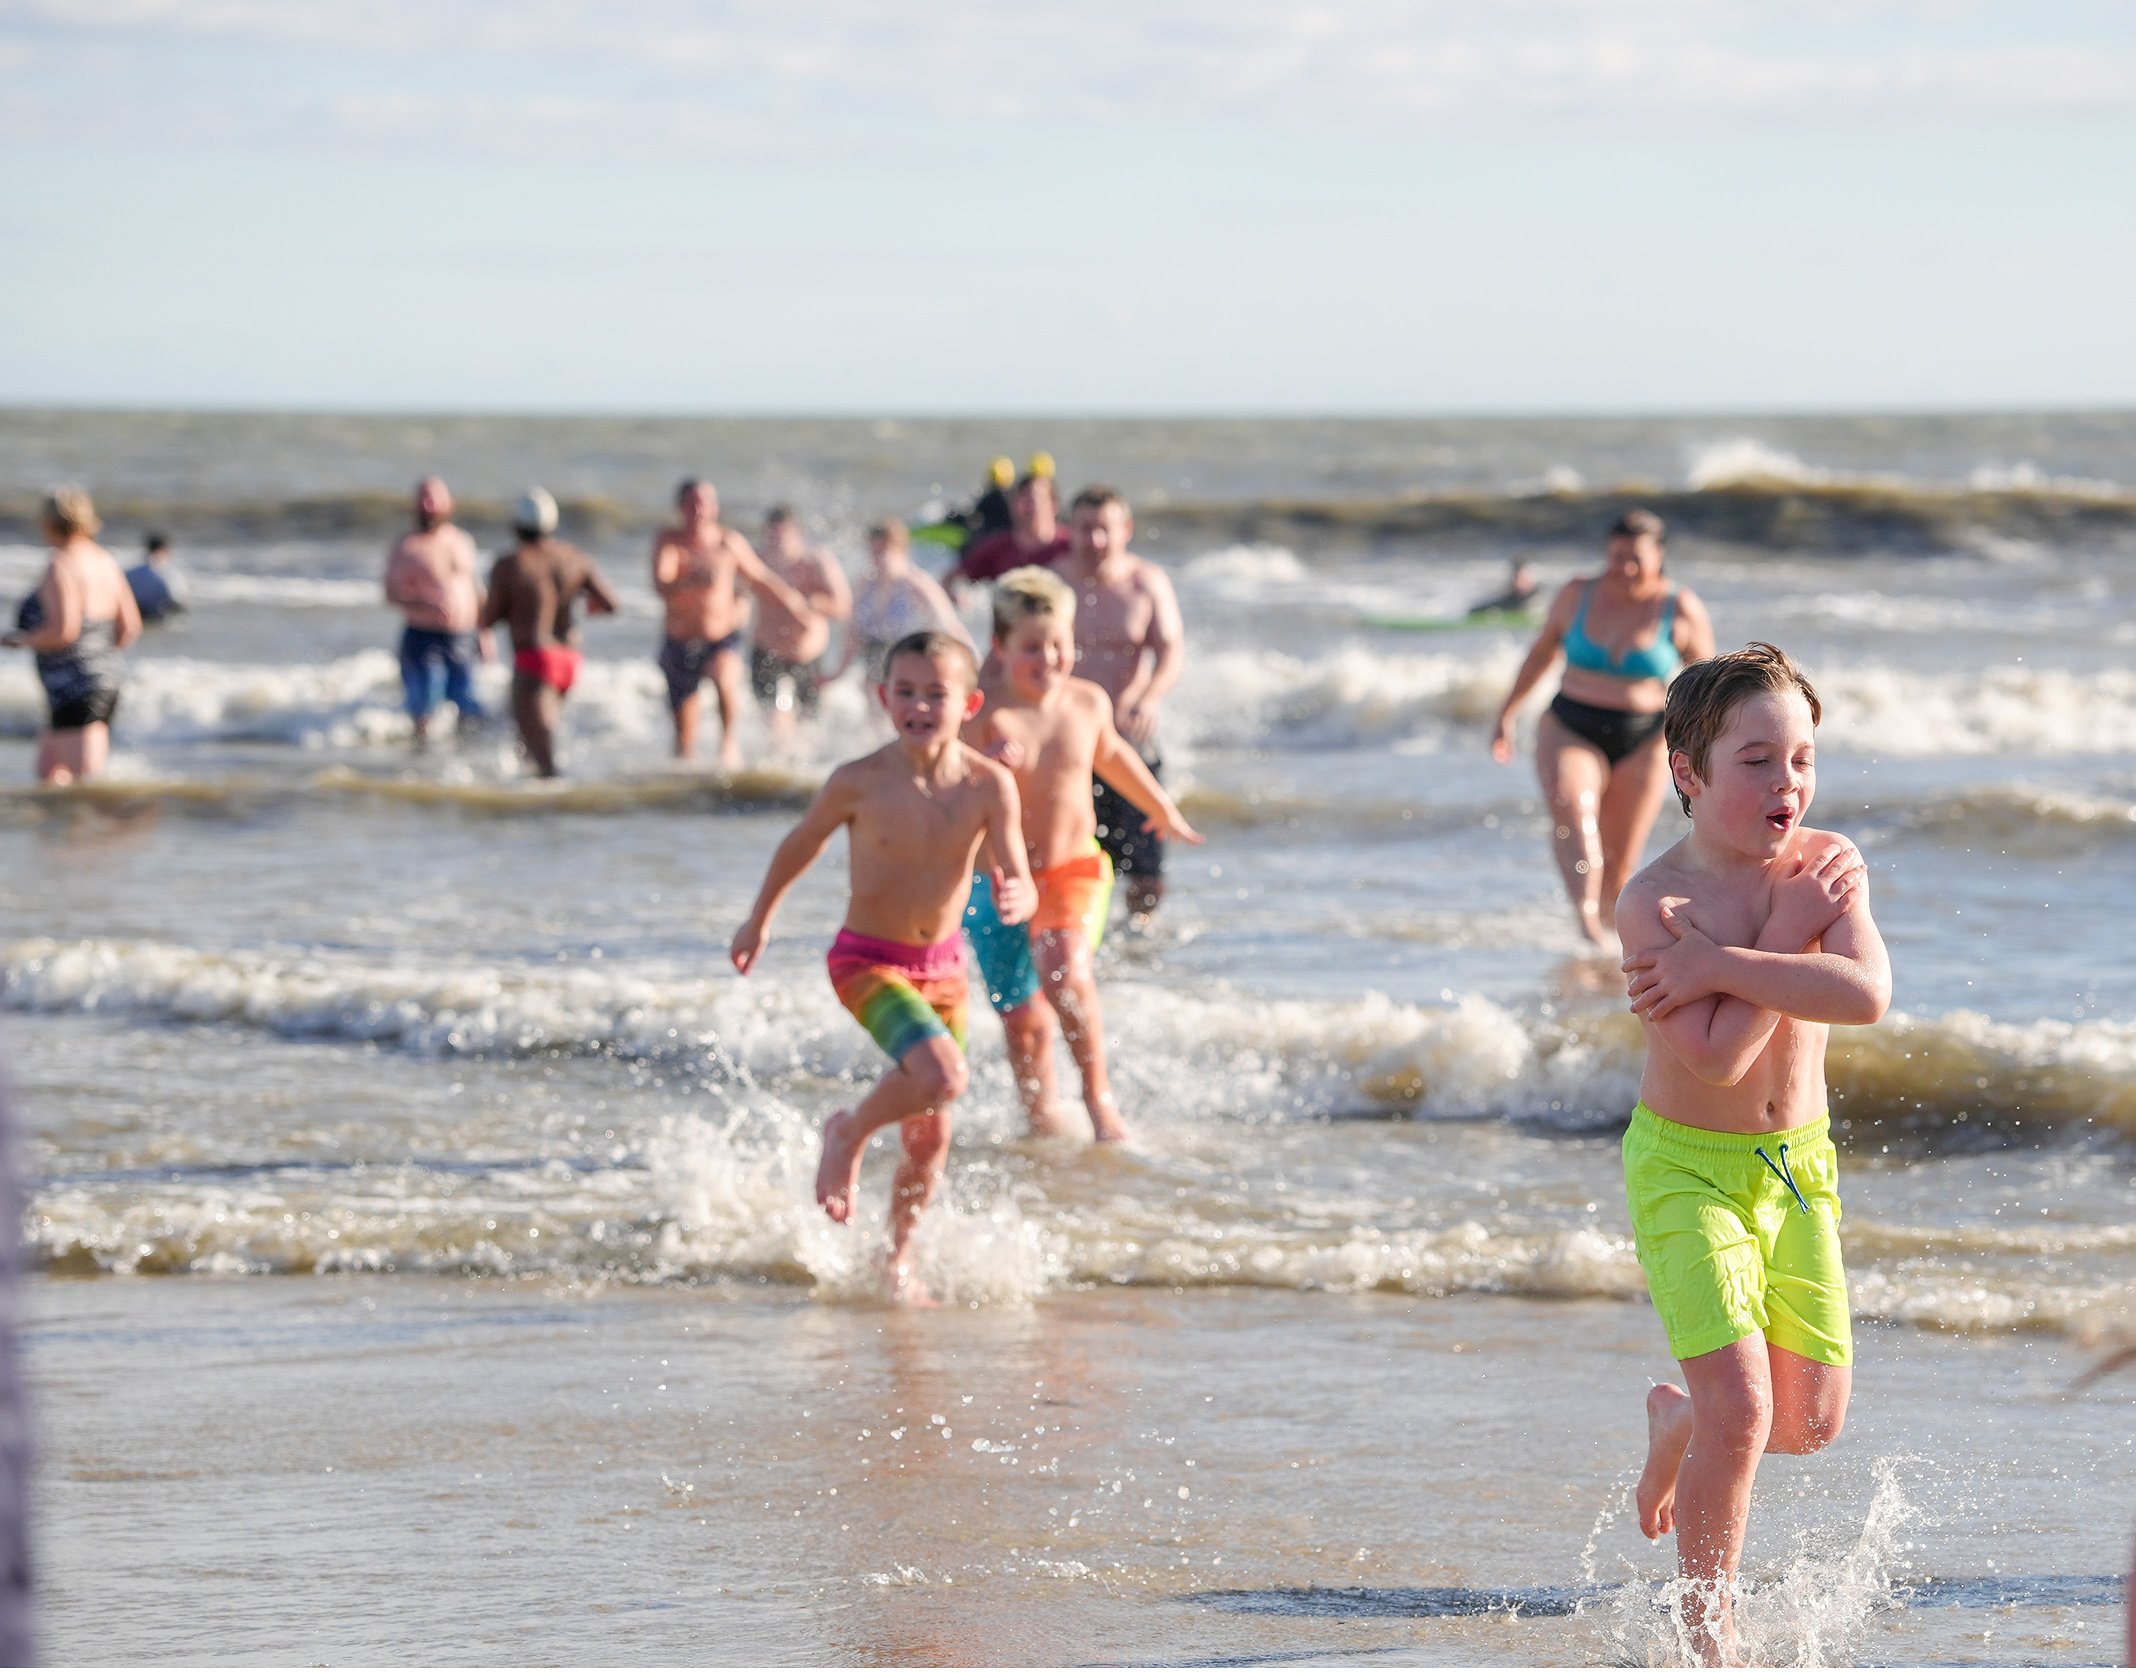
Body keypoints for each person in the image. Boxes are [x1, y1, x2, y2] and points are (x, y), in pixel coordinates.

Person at [1614, 644, 1891, 1665]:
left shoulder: (1825, 865)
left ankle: (1680, 1422)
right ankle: (1708, 1636)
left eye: (1803, 759)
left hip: (1797, 1167)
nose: (1789, 783)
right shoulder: (1657, 904)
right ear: (1687, 772)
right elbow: (1718, 1058)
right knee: (1744, 1411)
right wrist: (1786, 937)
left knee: (1807, 1423)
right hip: (1686, 1168)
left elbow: (1864, 995)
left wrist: (1728, 962)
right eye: (1758, 760)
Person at [729, 631, 1035, 1302]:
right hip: (866, 961)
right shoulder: (858, 780)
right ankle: (848, 1132)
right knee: (944, 1077)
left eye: (936, 694)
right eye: (906, 692)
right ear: (882, 697)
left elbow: (1017, 870)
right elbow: (801, 843)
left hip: (944, 970)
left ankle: (896, 1257)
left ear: (969, 704)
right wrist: (759, 919)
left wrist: (1022, 896)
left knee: (931, 1131)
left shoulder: (989, 785)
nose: (919, 706)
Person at [962, 568, 1201, 1143]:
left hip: (1075, 869)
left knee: (1064, 971)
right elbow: (945, 788)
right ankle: (1040, 1119)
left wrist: (1162, 808)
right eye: (1031, 647)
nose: (1048, 658)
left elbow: (1114, 757)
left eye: (1059, 644)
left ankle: (1099, 1102)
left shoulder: (1087, 702)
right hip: (998, 884)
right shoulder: (982, 715)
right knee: (1022, 1020)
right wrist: (985, 764)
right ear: (1000, 646)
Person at [1489, 509, 1716, 949]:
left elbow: (1705, 686)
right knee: (1572, 809)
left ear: (1659, 556)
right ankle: (1586, 923)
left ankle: (1610, 955)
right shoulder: (1577, 594)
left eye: (1636, 559)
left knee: (1619, 862)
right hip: (1571, 725)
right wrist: (1507, 713)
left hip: (1646, 736)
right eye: (1616, 557)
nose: (1624, 568)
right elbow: (1541, 654)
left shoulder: (1679, 607)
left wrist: (1709, 746)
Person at [1052, 486, 1187, 923]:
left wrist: (1150, 697)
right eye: (1085, 529)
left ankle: (1133, 947)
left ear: (1125, 530)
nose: (1094, 540)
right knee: (1068, 859)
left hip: (1129, 736)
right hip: (1069, 741)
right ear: (1069, 530)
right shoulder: (1053, 584)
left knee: (1147, 878)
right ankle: (1076, 938)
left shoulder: (1146, 583)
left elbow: (1171, 649)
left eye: (1104, 529)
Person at [653, 479, 813, 769]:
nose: (698, 509)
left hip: (721, 638)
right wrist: (692, 578)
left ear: (714, 507)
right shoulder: (670, 542)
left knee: (725, 679)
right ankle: (685, 770)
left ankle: (728, 751)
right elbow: (661, 586)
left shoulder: (728, 542)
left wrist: (794, 605)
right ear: (680, 508)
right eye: (692, 503)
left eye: (704, 503)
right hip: (680, 641)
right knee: (684, 735)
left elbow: (760, 578)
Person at [3, 486, 141, 784]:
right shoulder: (104, 559)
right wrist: (100, 659)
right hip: (104, 680)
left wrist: (19, 640)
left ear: (48, 523)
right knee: (48, 772)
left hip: (75, 687)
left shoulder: (61, 564)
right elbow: (130, 626)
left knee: (84, 784)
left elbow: (64, 631)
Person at [477, 488, 619, 779]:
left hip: (534, 659)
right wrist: (585, 607)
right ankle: (527, 800)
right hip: (568, 660)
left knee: (544, 761)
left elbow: (488, 619)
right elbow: (610, 604)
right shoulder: (574, 557)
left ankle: (553, 805)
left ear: (516, 525)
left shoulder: (511, 564)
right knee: (529, 744)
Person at [383, 476, 490, 748]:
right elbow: (391, 594)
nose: (429, 508)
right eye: (425, 502)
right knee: (425, 702)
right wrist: (423, 603)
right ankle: (421, 756)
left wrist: (485, 634)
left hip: (463, 636)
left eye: (435, 501)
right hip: (424, 636)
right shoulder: (407, 546)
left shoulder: (461, 541)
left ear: (448, 505)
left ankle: (465, 754)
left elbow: (475, 589)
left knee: (466, 701)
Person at [749, 506, 851, 742]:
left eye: (782, 536)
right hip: (767, 651)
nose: (776, 543)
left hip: (807, 654)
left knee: (809, 722)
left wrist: (814, 604)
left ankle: (806, 758)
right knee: (771, 718)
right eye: (771, 536)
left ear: (797, 534)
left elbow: (843, 607)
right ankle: (775, 756)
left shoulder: (816, 561)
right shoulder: (758, 561)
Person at [840, 519, 970, 682]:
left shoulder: (917, 584)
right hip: (875, 660)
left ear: (901, 550)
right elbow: (853, 633)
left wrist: (971, 665)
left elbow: (950, 626)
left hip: (911, 659)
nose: (878, 559)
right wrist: (839, 671)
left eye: (883, 552)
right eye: (874, 552)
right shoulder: (864, 585)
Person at [947, 471, 1070, 590]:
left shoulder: (1070, 545)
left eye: (1033, 498)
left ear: (1054, 505)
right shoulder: (997, 548)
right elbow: (951, 579)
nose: (1026, 505)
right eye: (1020, 497)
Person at [126, 532, 188, 624]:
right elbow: (178, 601)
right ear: (163, 549)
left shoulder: (131, 572)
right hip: (161, 621)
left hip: (137, 618)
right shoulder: (169, 575)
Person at [1469, 558, 1539, 617]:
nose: (1519, 583)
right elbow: (1476, 611)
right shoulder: (1508, 601)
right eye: (1516, 579)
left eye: (1523, 579)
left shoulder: (1540, 600)